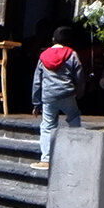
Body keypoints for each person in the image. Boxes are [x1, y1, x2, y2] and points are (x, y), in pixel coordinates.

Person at [31, 24, 85, 168]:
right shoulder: (72, 54)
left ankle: (46, 159)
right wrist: (79, 91)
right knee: (74, 118)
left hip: (48, 96)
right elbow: (79, 75)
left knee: (47, 125)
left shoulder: (43, 56)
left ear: (53, 39)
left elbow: (37, 81)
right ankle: (76, 152)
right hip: (67, 93)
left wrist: (36, 104)